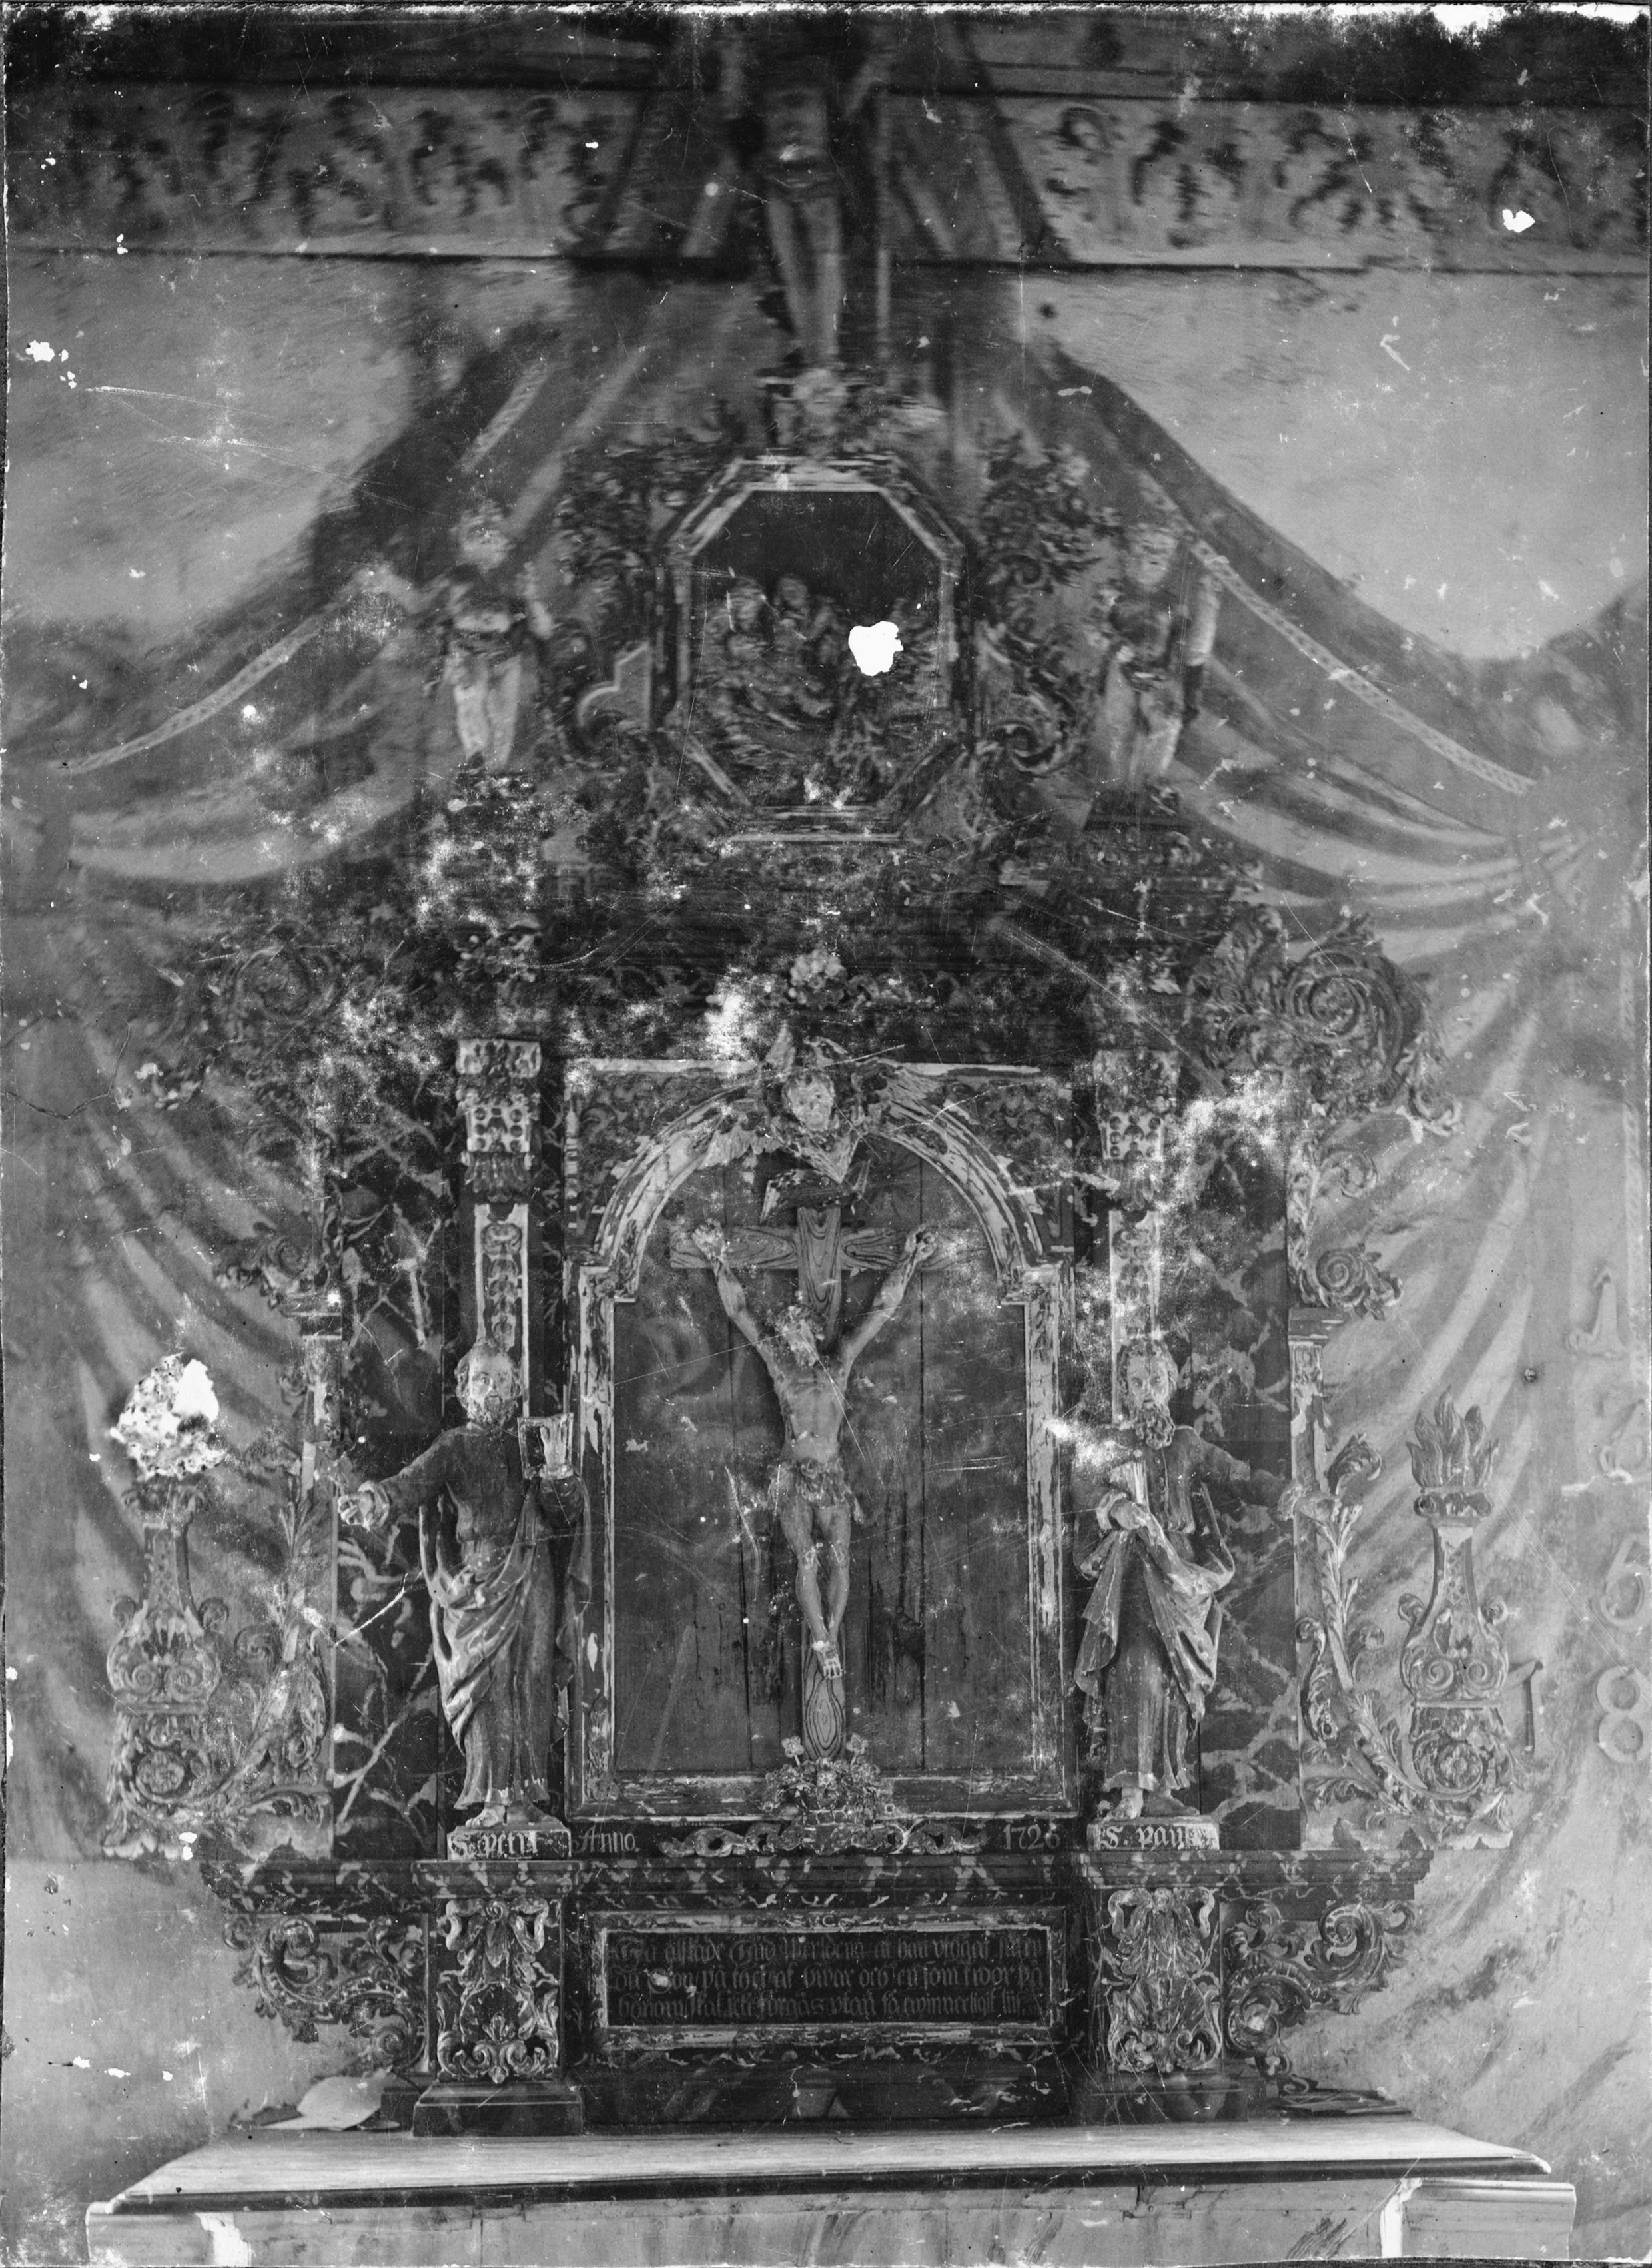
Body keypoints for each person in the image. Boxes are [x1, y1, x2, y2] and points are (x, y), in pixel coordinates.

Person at [693, 1222, 938, 1682]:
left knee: (841, 1557)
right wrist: (715, 1257)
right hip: (792, 1473)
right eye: (786, 1334)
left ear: (811, 1329)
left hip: (830, 1473)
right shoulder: (781, 1368)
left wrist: (911, 1259)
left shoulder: (839, 1365)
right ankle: (820, 1637)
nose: (791, 1340)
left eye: (796, 1331)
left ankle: (831, 1635)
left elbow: (881, 1311)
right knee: (806, 1557)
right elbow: (740, 1311)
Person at [348, 1341, 572, 1826]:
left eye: (502, 1381)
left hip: (532, 1573)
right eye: (482, 1380)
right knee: (486, 1684)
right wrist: (374, 1500)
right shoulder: (454, 1445)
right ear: (465, 1391)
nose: (493, 1390)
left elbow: (564, 1514)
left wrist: (558, 1473)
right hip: (476, 1581)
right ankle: (493, 1798)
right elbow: (410, 1483)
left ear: (516, 1391)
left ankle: (527, 1799)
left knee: (532, 1678)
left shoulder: (532, 1442)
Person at [1074, 1365, 1286, 1818]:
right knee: (1137, 1667)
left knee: (1175, 1679)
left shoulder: (1187, 1443)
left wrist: (1284, 1494)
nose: (1147, 1391)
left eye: (1156, 1381)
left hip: (1185, 1576)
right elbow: (1083, 1485)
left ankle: (1162, 1789)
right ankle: (1131, 1792)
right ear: (1125, 1390)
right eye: (1137, 1382)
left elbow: (1237, 1474)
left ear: (1170, 1385)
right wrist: (1116, 1506)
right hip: (1136, 1573)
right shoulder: (1112, 1443)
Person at [440, 499, 554, 774]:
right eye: (477, 536)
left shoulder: (513, 576)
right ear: (463, 545)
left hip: (507, 658)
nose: (489, 540)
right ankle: (477, 764)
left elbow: (543, 629)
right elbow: (422, 605)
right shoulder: (456, 579)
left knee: (503, 724)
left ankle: (493, 773)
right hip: (470, 655)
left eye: (492, 536)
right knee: (471, 702)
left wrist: (531, 598)